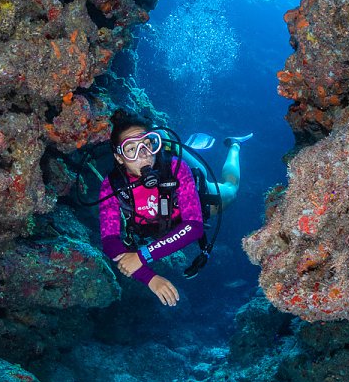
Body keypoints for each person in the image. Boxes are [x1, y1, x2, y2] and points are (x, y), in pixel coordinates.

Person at [98, 110, 251, 307]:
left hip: (200, 198)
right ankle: (168, 140)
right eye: (131, 149)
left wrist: (142, 256)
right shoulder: (111, 186)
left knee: (231, 189)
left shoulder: (176, 168)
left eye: (147, 144)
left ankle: (235, 146)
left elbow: (194, 227)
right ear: (119, 157)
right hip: (162, 227)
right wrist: (150, 278)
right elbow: (110, 241)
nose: (143, 155)